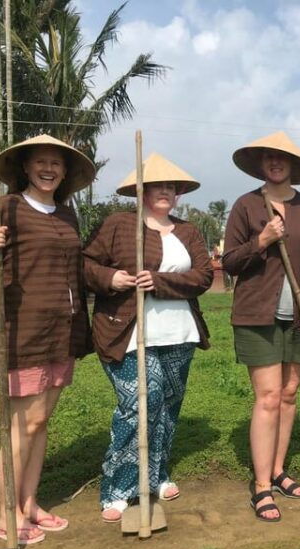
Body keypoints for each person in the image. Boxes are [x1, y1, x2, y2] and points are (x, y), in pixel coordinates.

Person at [0, 134, 95, 545]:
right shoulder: (5, 208)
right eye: (41, 162)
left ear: (65, 171)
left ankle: (30, 502)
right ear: (26, 168)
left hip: (62, 330)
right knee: (21, 424)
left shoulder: (67, 215)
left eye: (57, 163)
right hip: (21, 332)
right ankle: (7, 514)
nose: (49, 168)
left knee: (40, 420)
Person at [83, 154, 213, 522]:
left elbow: (203, 276)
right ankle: (118, 487)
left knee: (168, 406)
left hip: (179, 333)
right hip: (127, 331)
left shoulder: (188, 231)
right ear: (141, 191)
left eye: (171, 187)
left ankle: (156, 475)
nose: (165, 192)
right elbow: (85, 264)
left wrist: (158, 281)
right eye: (158, 186)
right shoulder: (118, 225)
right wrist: (112, 279)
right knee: (140, 402)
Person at [223, 131, 300, 522]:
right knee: (268, 396)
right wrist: (263, 240)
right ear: (261, 164)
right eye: (269, 157)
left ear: (293, 166)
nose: (275, 162)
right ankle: (261, 486)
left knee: (288, 394)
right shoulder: (246, 206)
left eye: (282, 158)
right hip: (258, 315)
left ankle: (278, 469)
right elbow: (230, 263)